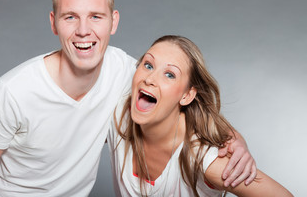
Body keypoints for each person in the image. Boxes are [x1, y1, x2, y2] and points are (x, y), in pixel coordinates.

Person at [0, 0, 254, 197]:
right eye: (70, 17)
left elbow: (177, 100)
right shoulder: (12, 92)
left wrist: (234, 141)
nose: (84, 30)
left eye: (96, 16)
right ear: (53, 22)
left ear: (114, 22)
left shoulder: (125, 72)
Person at [108, 35, 293, 196]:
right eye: (148, 65)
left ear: (187, 95)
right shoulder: (116, 115)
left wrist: (237, 140)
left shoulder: (203, 159)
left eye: (170, 75)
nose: (150, 79)